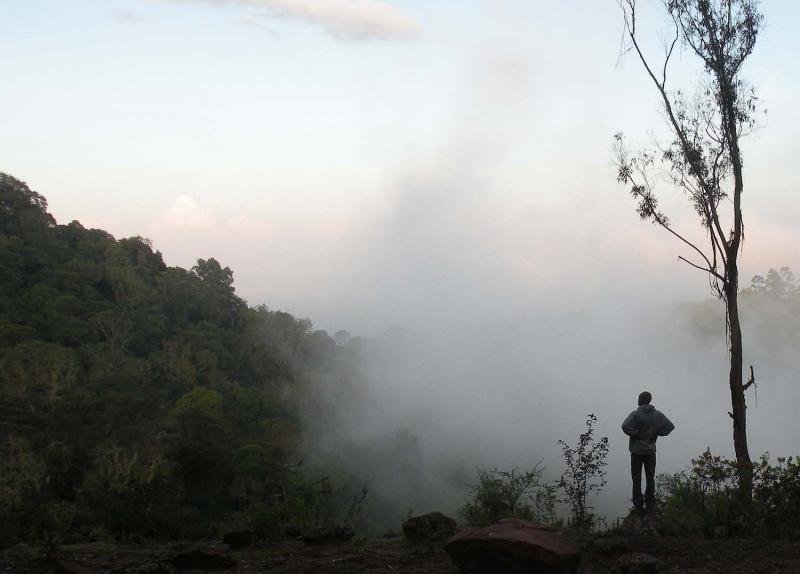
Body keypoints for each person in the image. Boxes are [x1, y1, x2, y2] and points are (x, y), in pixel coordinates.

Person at [621, 391, 674, 514]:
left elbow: (625, 426)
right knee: (650, 478)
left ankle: (638, 506)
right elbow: (670, 426)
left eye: (639, 397)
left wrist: (636, 434)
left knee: (636, 479)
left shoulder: (635, 414)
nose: (638, 399)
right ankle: (650, 505)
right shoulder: (657, 415)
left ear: (642, 399)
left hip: (636, 452)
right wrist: (657, 433)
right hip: (650, 452)